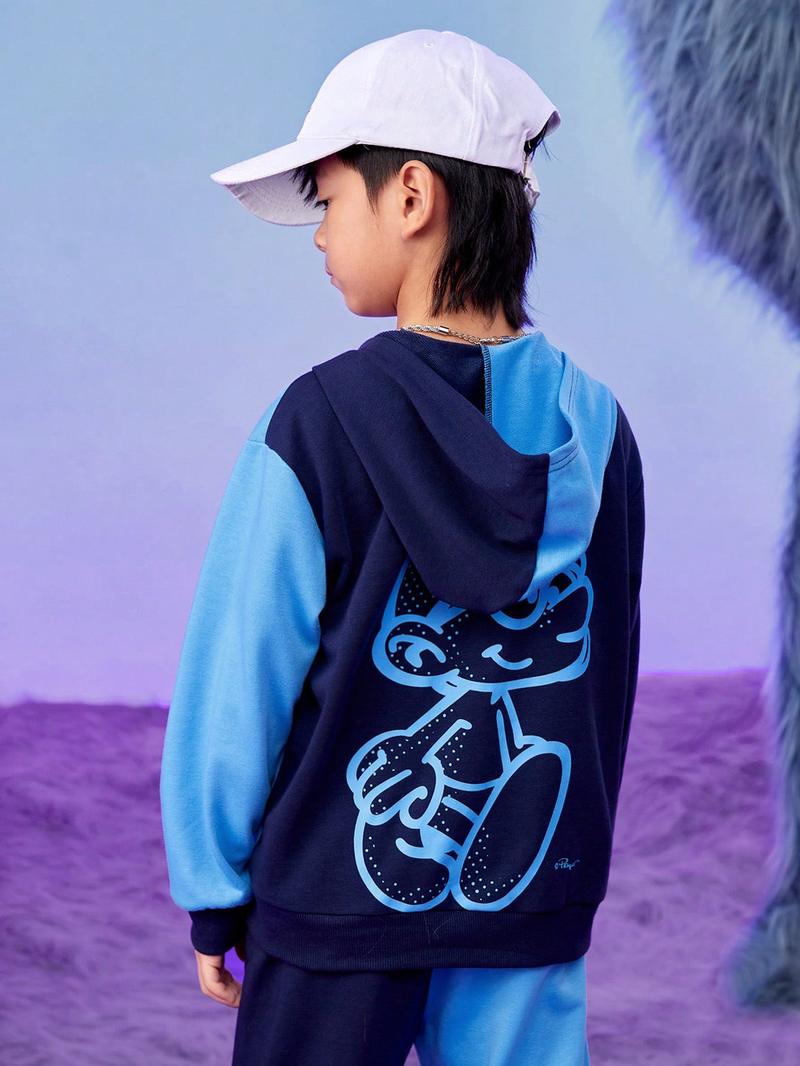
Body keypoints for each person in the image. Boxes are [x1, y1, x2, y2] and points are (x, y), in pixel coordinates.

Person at [159, 27, 645, 1066]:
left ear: (412, 195)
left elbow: (241, 674)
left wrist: (213, 889)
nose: (319, 235)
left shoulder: (317, 423)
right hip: (528, 907)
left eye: (330, 200)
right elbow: (605, 678)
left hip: (332, 918)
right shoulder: (599, 432)